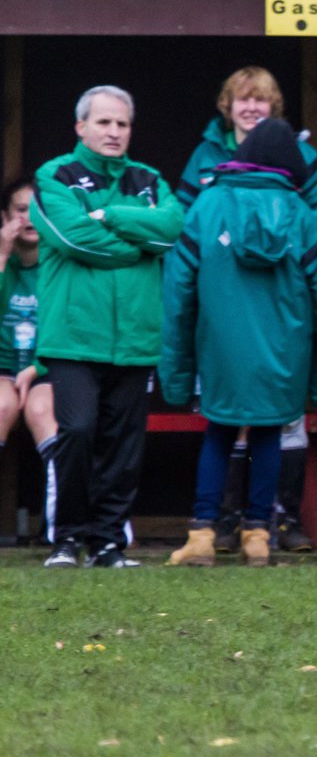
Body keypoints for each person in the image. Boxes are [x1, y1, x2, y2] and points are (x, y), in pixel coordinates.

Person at [160, 118, 317, 567]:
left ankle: (203, 535)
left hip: (219, 350)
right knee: (269, 433)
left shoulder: (206, 207)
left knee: (219, 431)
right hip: (285, 354)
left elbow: (177, 295)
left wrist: (176, 373)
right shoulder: (303, 218)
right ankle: (258, 536)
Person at [33, 85, 184, 568]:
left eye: (122, 124)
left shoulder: (149, 179)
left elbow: (171, 230)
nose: (114, 132)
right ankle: (66, 539)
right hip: (74, 336)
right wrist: (136, 244)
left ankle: (107, 544)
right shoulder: (53, 175)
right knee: (76, 431)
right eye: (103, 122)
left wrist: (113, 214)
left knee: (123, 445)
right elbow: (75, 239)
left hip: (135, 339)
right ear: (81, 127)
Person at [0, 177, 58, 537]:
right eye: (22, 210)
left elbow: (70, 328)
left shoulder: (59, 263)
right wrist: (3, 255)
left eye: (38, 210)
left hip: (47, 365)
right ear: (6, 216)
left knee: (41, 409)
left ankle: (60, 525)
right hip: (3, 367)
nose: (30, 219)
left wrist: (35, 369)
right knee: (1, 406)